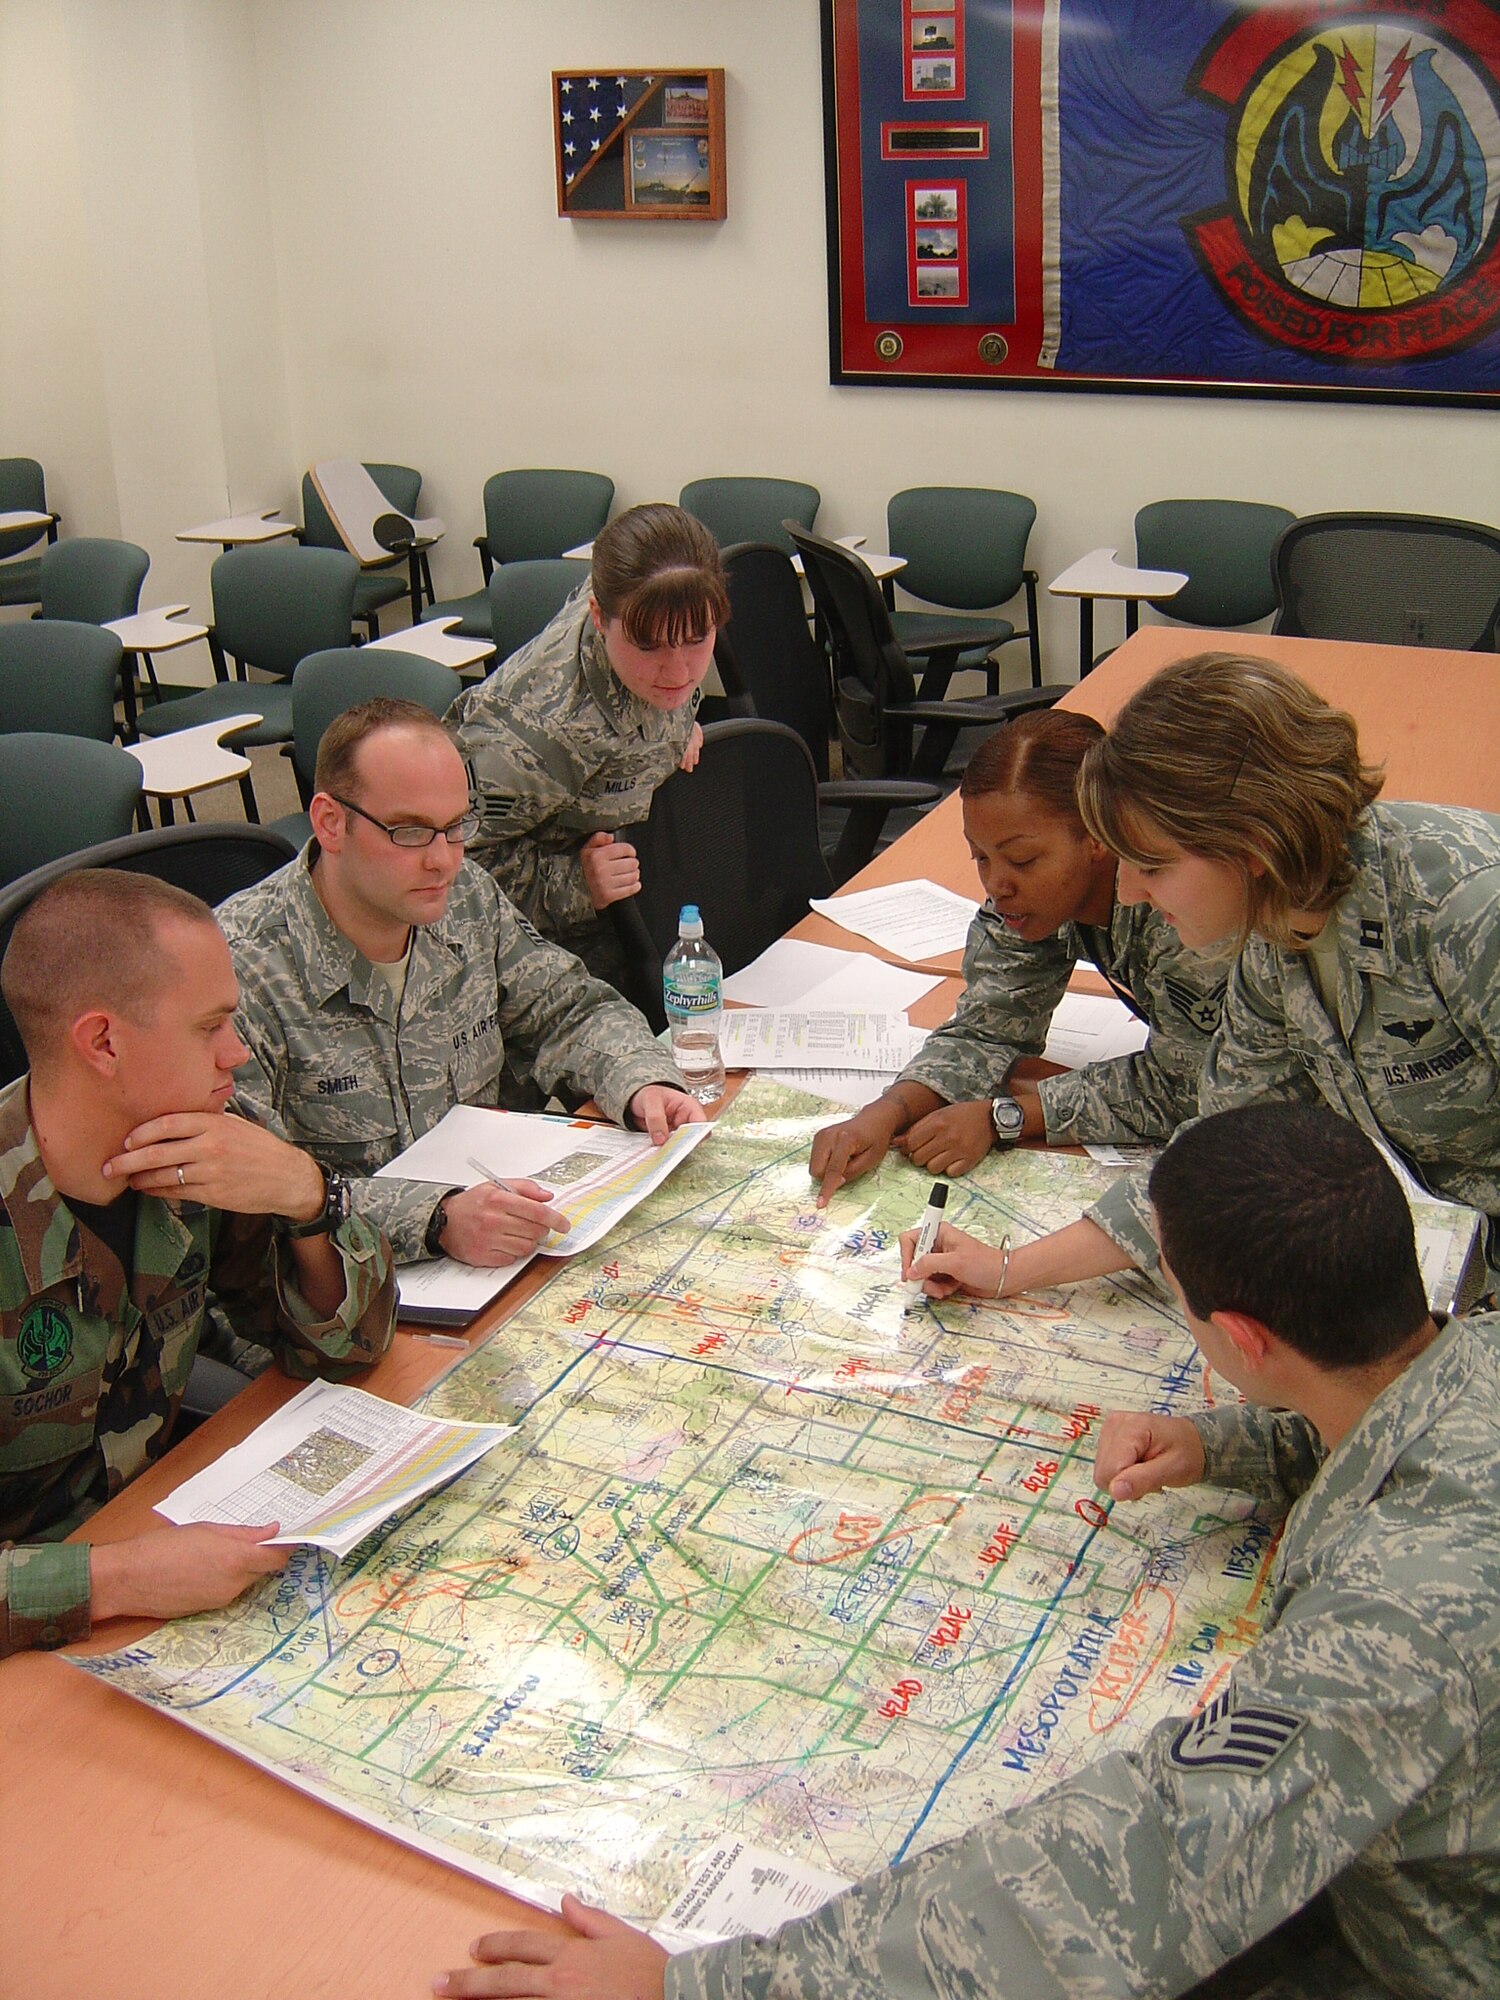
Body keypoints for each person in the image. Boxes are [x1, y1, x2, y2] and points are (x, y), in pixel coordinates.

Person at [435, 1104, 1500, 1999]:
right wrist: (1231, 1442)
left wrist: (692, 1987)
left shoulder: (1402, 1611)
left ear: (1245, 1338)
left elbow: (1135, 1864)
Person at [916, 651, 1500, 1303]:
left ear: (1250, 842)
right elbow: (1217, 1150)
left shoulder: (1471, 917)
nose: (1130, 894)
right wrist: (1008, 1270)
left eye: (1154, 865)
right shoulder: (1277, 936)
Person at [0, 871, 396, 1659]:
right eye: (209, 1026)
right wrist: (118, 1579)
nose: (236, 1052)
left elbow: (343, 1351)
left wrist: (306, 1195)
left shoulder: (201, 1144)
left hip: (151, 1541)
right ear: (103, 1042)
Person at [219, 699, 704, 1269]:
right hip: (340, 1303)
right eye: (411, 833)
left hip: (495, 1260)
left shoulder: (465, 901)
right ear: (331, 822)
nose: (444, 862)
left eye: (456, 829)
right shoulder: (239, 971)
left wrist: (642, 1082)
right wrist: (436, 1218)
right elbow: (251, 1198)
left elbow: (569, 1008)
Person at [808, 709, 1225, 1206]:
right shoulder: (1031, 900)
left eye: (1022, 859)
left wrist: (1006, 1117)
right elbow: (986, 1029)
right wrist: (886, 1112)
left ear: (1098, 833)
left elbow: (1185, 1087)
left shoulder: (1178, 911)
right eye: (980, 857)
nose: (996, 885)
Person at [448, 502, 729, 979]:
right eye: (651, 646)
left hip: (641, 883)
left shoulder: (651, 593)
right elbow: (447, 869)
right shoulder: (538, 736)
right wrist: (577, 885)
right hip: (538, 947)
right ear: (599, 617)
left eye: (699, 638)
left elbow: (671, 650)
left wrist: (675, 725)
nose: (681, 672)